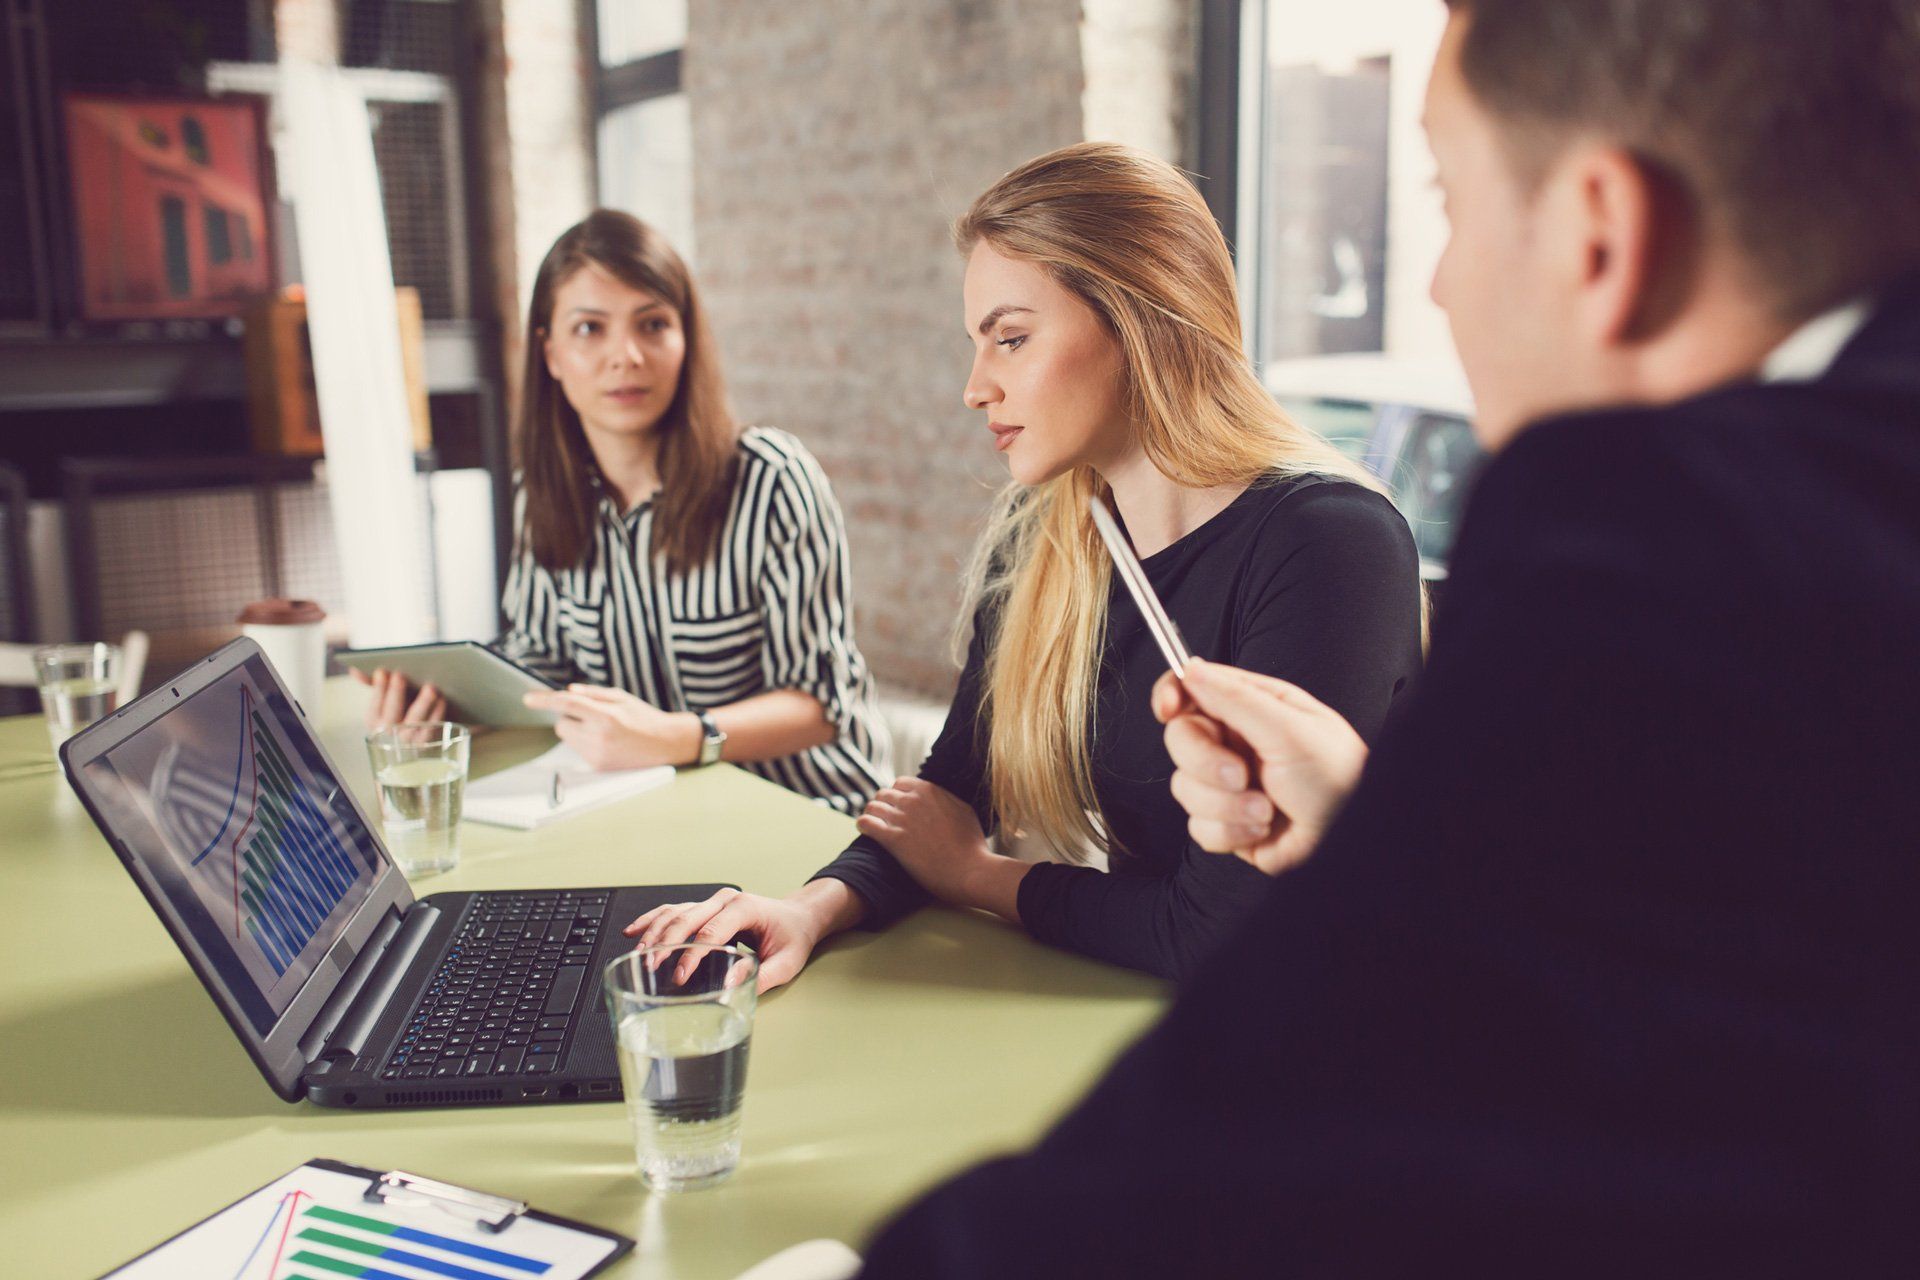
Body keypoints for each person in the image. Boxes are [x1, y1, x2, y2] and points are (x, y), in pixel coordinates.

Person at [851, 0, 1920, 1272]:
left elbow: (1283, 1155)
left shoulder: (1677, 556)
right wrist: (1372, 827)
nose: (1436, 283)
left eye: (1452, 203)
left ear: (1601, 237)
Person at [625, 143, 1425, 986]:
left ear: (1142, 316)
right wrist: (809, 907)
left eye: (1010, 338)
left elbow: (1218, 932)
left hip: (1338, 1034)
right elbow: (952, 792)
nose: (975, 387)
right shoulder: (1045, 536)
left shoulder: (1330, 545)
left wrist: (977, 876)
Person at [358, 211, 892, 813]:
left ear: (686, 340)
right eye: (590, 328)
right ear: (551, 352)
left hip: (813, 812)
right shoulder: (543, 492)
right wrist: (447, 704)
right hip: (655, 806)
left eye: (653, 324)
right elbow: (543, 662)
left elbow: (822, 705)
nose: (626, 355)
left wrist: (676, 736)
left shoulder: (772, 479)